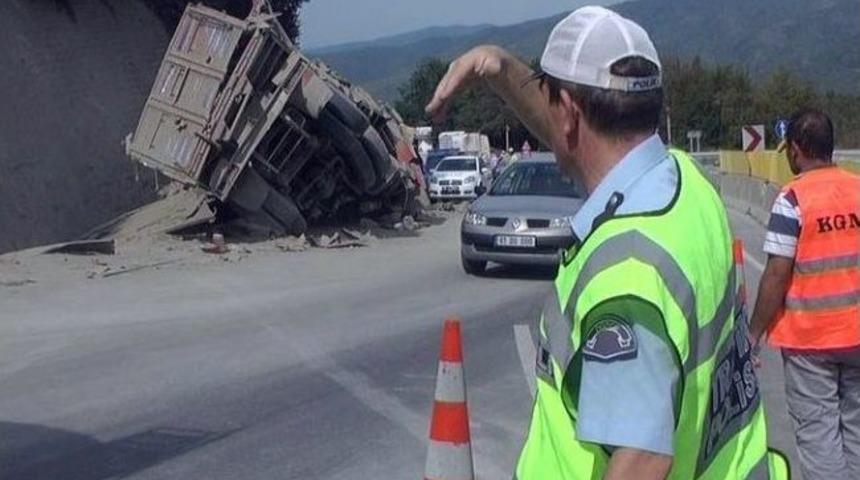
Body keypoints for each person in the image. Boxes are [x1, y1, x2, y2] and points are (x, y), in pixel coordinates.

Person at [426, 6, 786, 479]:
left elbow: (642, 460)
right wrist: (501, 68)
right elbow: (574, 136)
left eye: (547, 95)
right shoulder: (687, 184)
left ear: (569, 111)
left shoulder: (628, 275)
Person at [749, 108, 860, 480]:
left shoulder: (792, 198)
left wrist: (754, 332)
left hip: (810, 342)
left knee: (819, 436)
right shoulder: (858, 189)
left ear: (795, 150)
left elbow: (777, 273)